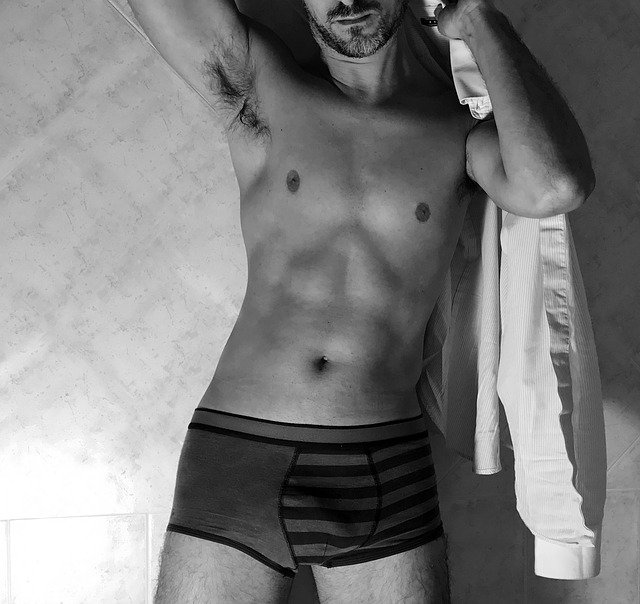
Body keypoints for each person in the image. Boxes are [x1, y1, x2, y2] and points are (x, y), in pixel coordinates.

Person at [128, 0, 595, 601]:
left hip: (380, 467)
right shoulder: (264, 89)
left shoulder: (457, 132)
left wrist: (480, 20)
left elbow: (555, 186)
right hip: (235, 457)